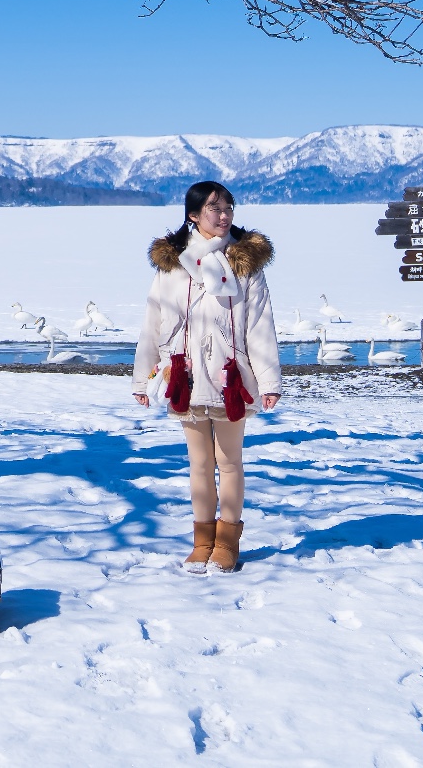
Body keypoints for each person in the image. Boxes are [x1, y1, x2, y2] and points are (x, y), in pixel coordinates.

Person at [132, 181, 282, 574]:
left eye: (228, 206)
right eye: (214, 208)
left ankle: (227, 544)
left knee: (229, 461)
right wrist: (141, 377)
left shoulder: (244, 263)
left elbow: (260, 326)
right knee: (199, 464)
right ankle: (202, 543)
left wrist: (268, 381)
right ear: (193, 215)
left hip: (231, 377)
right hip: (186, 376)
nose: (224, 213)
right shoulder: (172, 264)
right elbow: (153, 321)